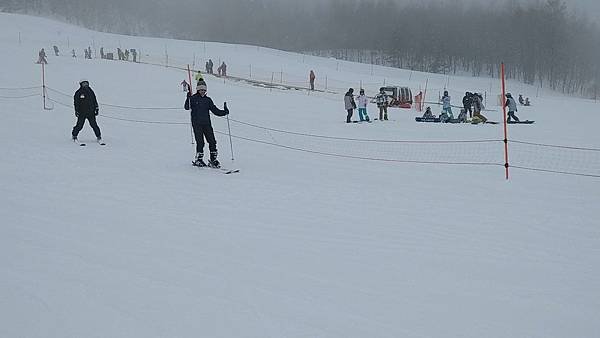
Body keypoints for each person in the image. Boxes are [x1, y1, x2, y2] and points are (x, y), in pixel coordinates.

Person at [185, 83, 229, 168]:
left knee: (212, 141)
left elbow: (215, 110)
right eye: (201, 90)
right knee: (200, 142)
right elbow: (187, 107)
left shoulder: (208, 100)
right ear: (198, 90)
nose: (203, 92)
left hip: (207, 124)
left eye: (204, 90)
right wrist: (188, 98)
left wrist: (224, 112)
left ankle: (213, 159)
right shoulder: (193, 98)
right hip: (197, 123)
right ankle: (199, 159)